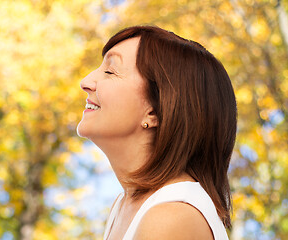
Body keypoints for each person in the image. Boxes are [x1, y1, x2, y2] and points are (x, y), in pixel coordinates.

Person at [77, 26, 236, 240]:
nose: (85, 82)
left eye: (110, 71)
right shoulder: (126, 205)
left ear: (155, 111)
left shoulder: (170, 217)